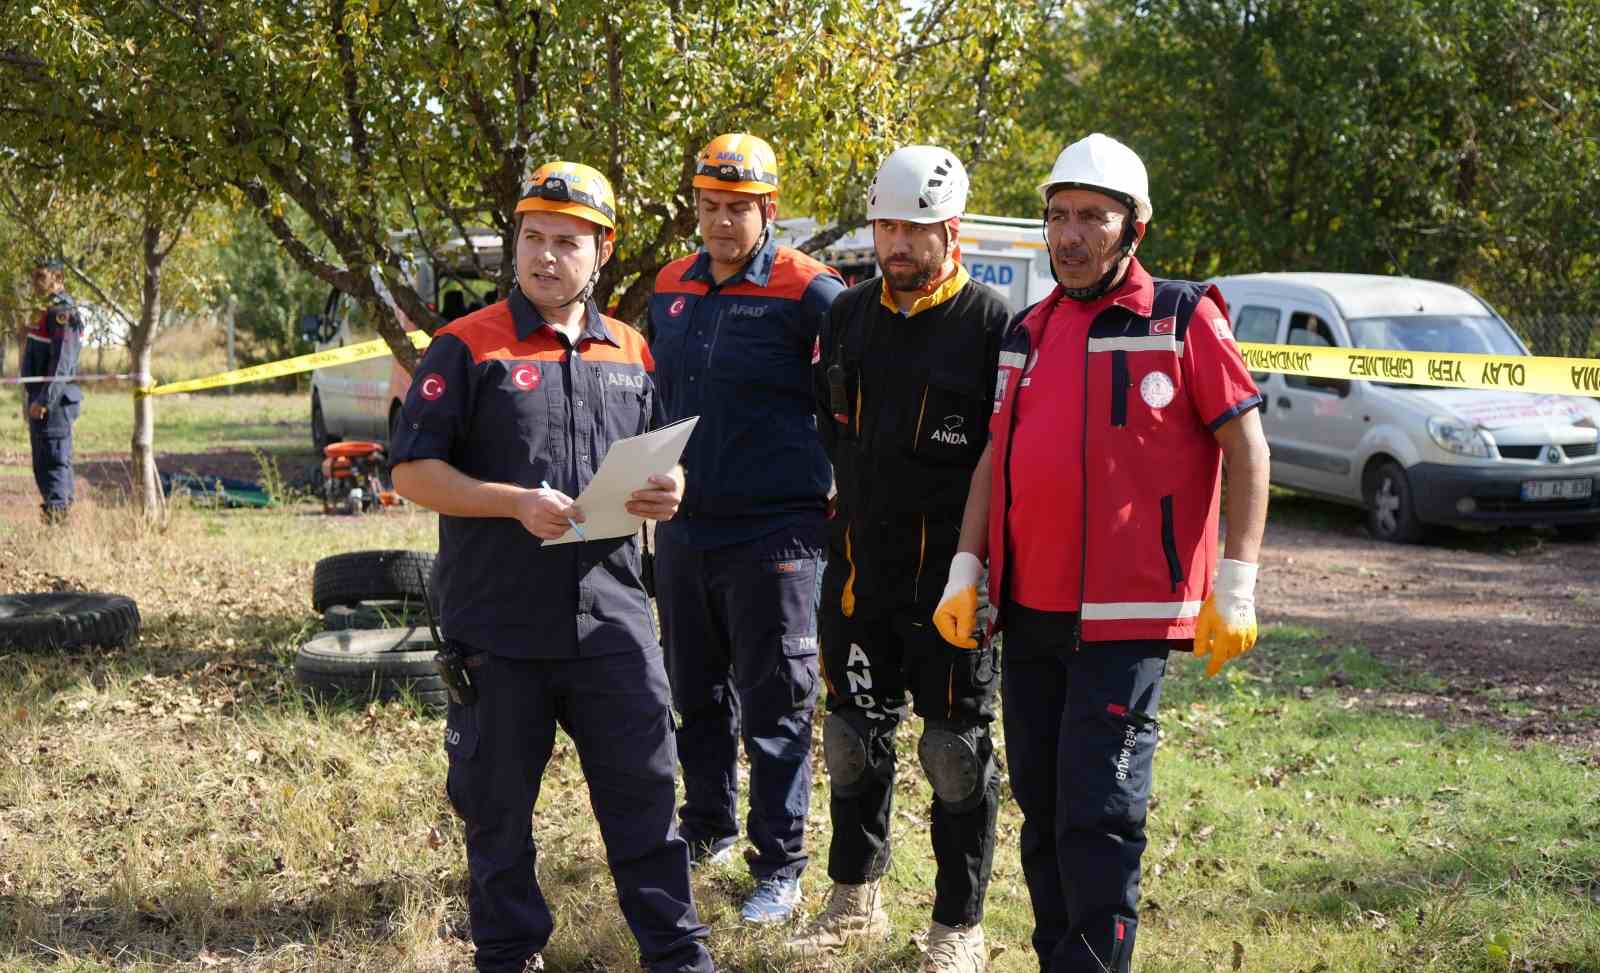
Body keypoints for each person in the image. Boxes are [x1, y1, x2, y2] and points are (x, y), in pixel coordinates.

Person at [932, 133, 1271, 973]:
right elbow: (992, 458)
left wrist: (1238, 583)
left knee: (1099, 813)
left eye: (1092, 216)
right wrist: (966, 567)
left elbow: (1250, 451)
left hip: (1128, 621)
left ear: (1134, 228)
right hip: (1032, 615)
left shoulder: (1184, 318)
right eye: (1058, 216)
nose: (1071, 235)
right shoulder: (1028, 332)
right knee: (1043, 808)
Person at [389, 160, 715, 973]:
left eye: (565, 242)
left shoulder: (632, 350)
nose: (544, 256)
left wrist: (670, 487)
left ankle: (677, 958)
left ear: (601, 251)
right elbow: (410, 472)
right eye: (532, 238)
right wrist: (511, 502)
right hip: (498, 627)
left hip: (614, 622)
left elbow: (662, 456)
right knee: (497, 814)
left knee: (647, 802)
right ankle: (508, 956)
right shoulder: (465, 346)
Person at [786, 146, 1011, 972]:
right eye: (886, 226)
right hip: (858, 573)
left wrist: (983, 567)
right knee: (850, 736)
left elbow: (1009, 459)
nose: (897, 246)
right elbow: (828, 428)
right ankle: (856, 897)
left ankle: (960, 925)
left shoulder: (994, 326)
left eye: (915, 230)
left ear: (954, 231)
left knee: (954, 753)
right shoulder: (846, 316)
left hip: (953, 580)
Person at [647, 132, 845, 923]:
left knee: (777, 703)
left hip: (779, 534)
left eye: (737, 209)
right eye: (708, 207)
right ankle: (708, 828)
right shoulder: (669, 285)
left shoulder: (812, 290)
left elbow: (854, 398)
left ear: (769, 209)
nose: (721, 223)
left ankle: (781, 864)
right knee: (694, 692)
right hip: (685, 528)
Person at [22, 255, 84, 524]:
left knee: (54, 466)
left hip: (54, 405)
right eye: (33, 276)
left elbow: (62, 365)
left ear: (58, 278)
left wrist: (44, 401)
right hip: (42, 401)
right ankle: (58, 524)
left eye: (41, 277)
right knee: (45, 466)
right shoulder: (48, 311)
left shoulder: (62, 313)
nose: (35, 283)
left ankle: (58, 530)